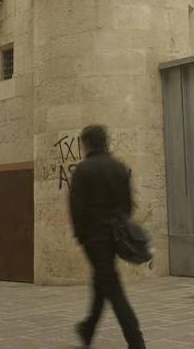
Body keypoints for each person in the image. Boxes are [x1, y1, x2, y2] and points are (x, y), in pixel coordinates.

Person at [68, 124, 145, 349]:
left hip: (94, 238)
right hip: (116, 235)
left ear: (87, 143)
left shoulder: (84, 170)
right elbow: (128, 206)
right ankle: (87, 329)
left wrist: (82, 236)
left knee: (112, 287)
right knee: (102, 281)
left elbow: (77, 208)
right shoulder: (119, 168)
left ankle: (136, 340)